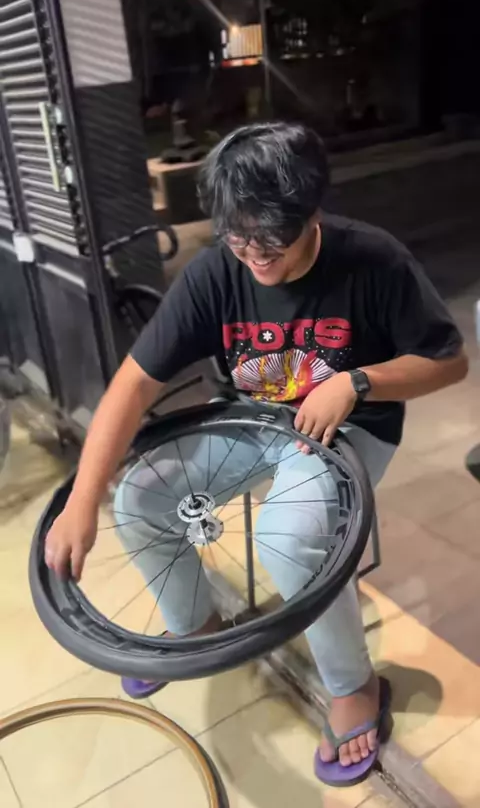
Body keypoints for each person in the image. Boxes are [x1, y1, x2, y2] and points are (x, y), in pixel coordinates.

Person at [45, 123, 468, 787]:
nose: (255, 254)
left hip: (354, 426)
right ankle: (195, 623)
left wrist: (356, 383)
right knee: (139, 494)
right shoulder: (218, 269)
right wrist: (80, 499)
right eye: (238, 237)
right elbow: (132, 385)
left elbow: (449, 362)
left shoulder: (372, 260)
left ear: (312, 212)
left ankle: (354, 686)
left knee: (288, 537)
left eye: (273, 239)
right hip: (255, 418)